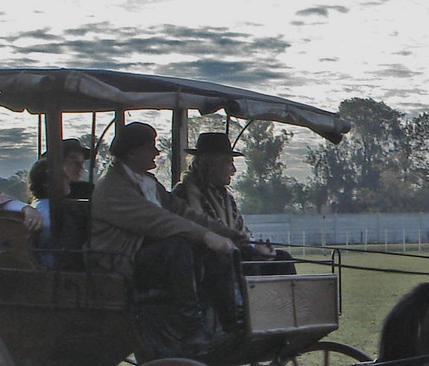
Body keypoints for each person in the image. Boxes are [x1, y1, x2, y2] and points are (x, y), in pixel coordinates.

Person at [88, 122, 247, 349]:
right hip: (122, 260)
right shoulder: (112, 187)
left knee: (212, 252)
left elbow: (182, 211)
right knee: (177, 247)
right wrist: (205, 236)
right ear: (132, 152)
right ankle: (191, 329)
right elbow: (158, 220)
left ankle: (231, 323)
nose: (156, 152)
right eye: (150, 147)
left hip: (150, 255)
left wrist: (228, 234)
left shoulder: (147, 180)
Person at [173, 131, 295, 276]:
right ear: (210, 164)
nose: (234, 170)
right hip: (205, 262)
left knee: (282, 259)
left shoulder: (226, 198)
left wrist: (257, 245)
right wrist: (249, 246)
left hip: (235, 253)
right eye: (228, 163)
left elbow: (241, 231)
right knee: (245, 256)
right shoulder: (183, 193)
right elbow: (202, 230)